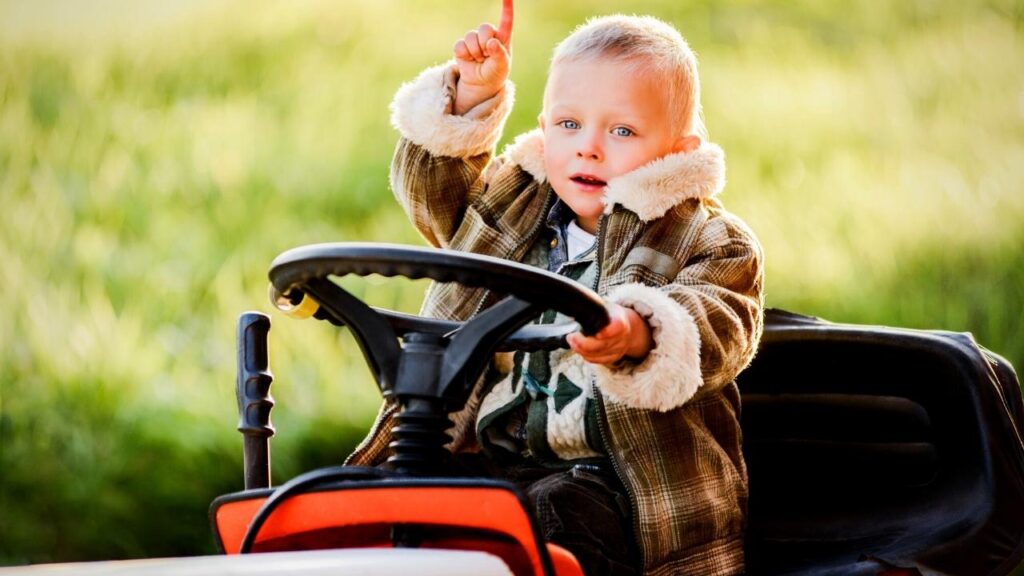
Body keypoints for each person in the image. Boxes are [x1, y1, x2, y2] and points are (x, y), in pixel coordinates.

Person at [348, 5, 764, 575]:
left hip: (622, 486)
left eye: (621, 131)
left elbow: (720, 322)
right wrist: (469, 99)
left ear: (676, 149)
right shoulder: (512, 207)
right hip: (500, 460)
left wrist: (640, 331)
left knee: (554, 514)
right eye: (569, 125)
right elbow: (434, 199)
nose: (588, 148)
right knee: (402, 505)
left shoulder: (711, 242)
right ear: (544, 128)